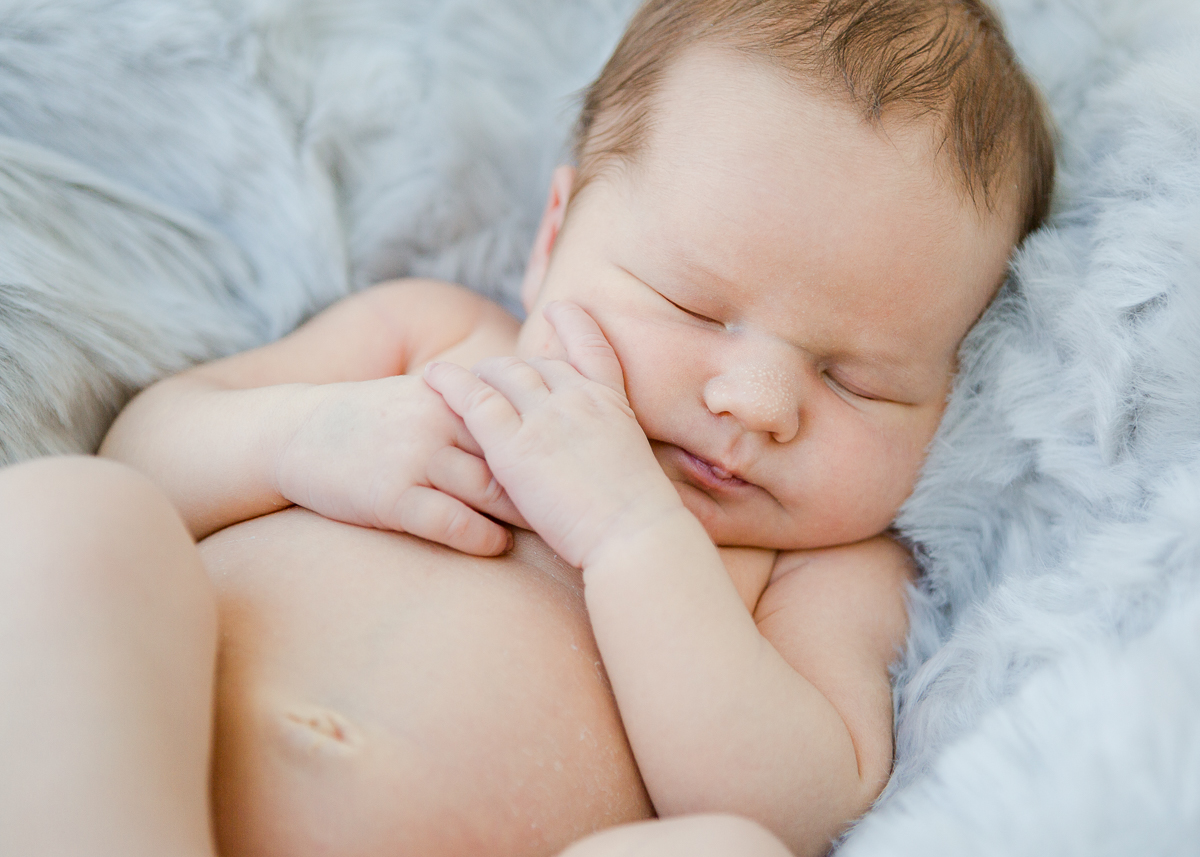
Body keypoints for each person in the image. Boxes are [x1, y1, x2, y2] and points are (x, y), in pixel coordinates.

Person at [1, 1, 1053, 856]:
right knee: (76, 514)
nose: (758, 401)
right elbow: (148, 446)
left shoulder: (815, 568)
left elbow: (800, 802)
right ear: (555, 234)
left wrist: (637, 538)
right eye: (693, 305)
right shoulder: (436, 337)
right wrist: (304, 437)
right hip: (136, 791)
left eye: (860, 380)